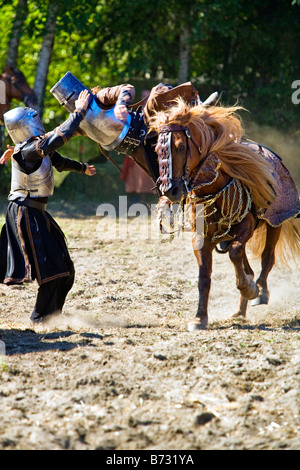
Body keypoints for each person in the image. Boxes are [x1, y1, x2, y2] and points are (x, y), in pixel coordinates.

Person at [0, 89, 96, 324]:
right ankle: (40, 318)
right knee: (52, 271)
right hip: (25, 212)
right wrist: (80, 111)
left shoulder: (33, 148)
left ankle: (53, 317)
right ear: (24, 126)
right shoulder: (29, 151)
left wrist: (82, 168)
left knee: (66, 269)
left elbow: (59, 161)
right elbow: (60, 135)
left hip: (36, 212)